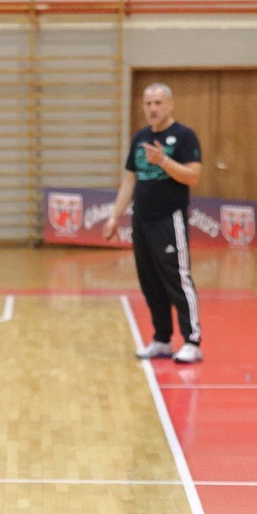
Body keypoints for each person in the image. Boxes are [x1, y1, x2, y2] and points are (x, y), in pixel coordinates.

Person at [102, 83, 203, 363]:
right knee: (150, 281)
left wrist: (163, 161)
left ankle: (192, 341)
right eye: (148, 103)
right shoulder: (140, 138)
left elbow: (193, 176)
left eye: (158, 103)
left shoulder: (184, 136)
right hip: (141, 221)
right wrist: (114, 216)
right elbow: (129, 180)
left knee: (178, 279)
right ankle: (162, 339)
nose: (153, 108)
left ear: (170, 105)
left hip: (169, 220)